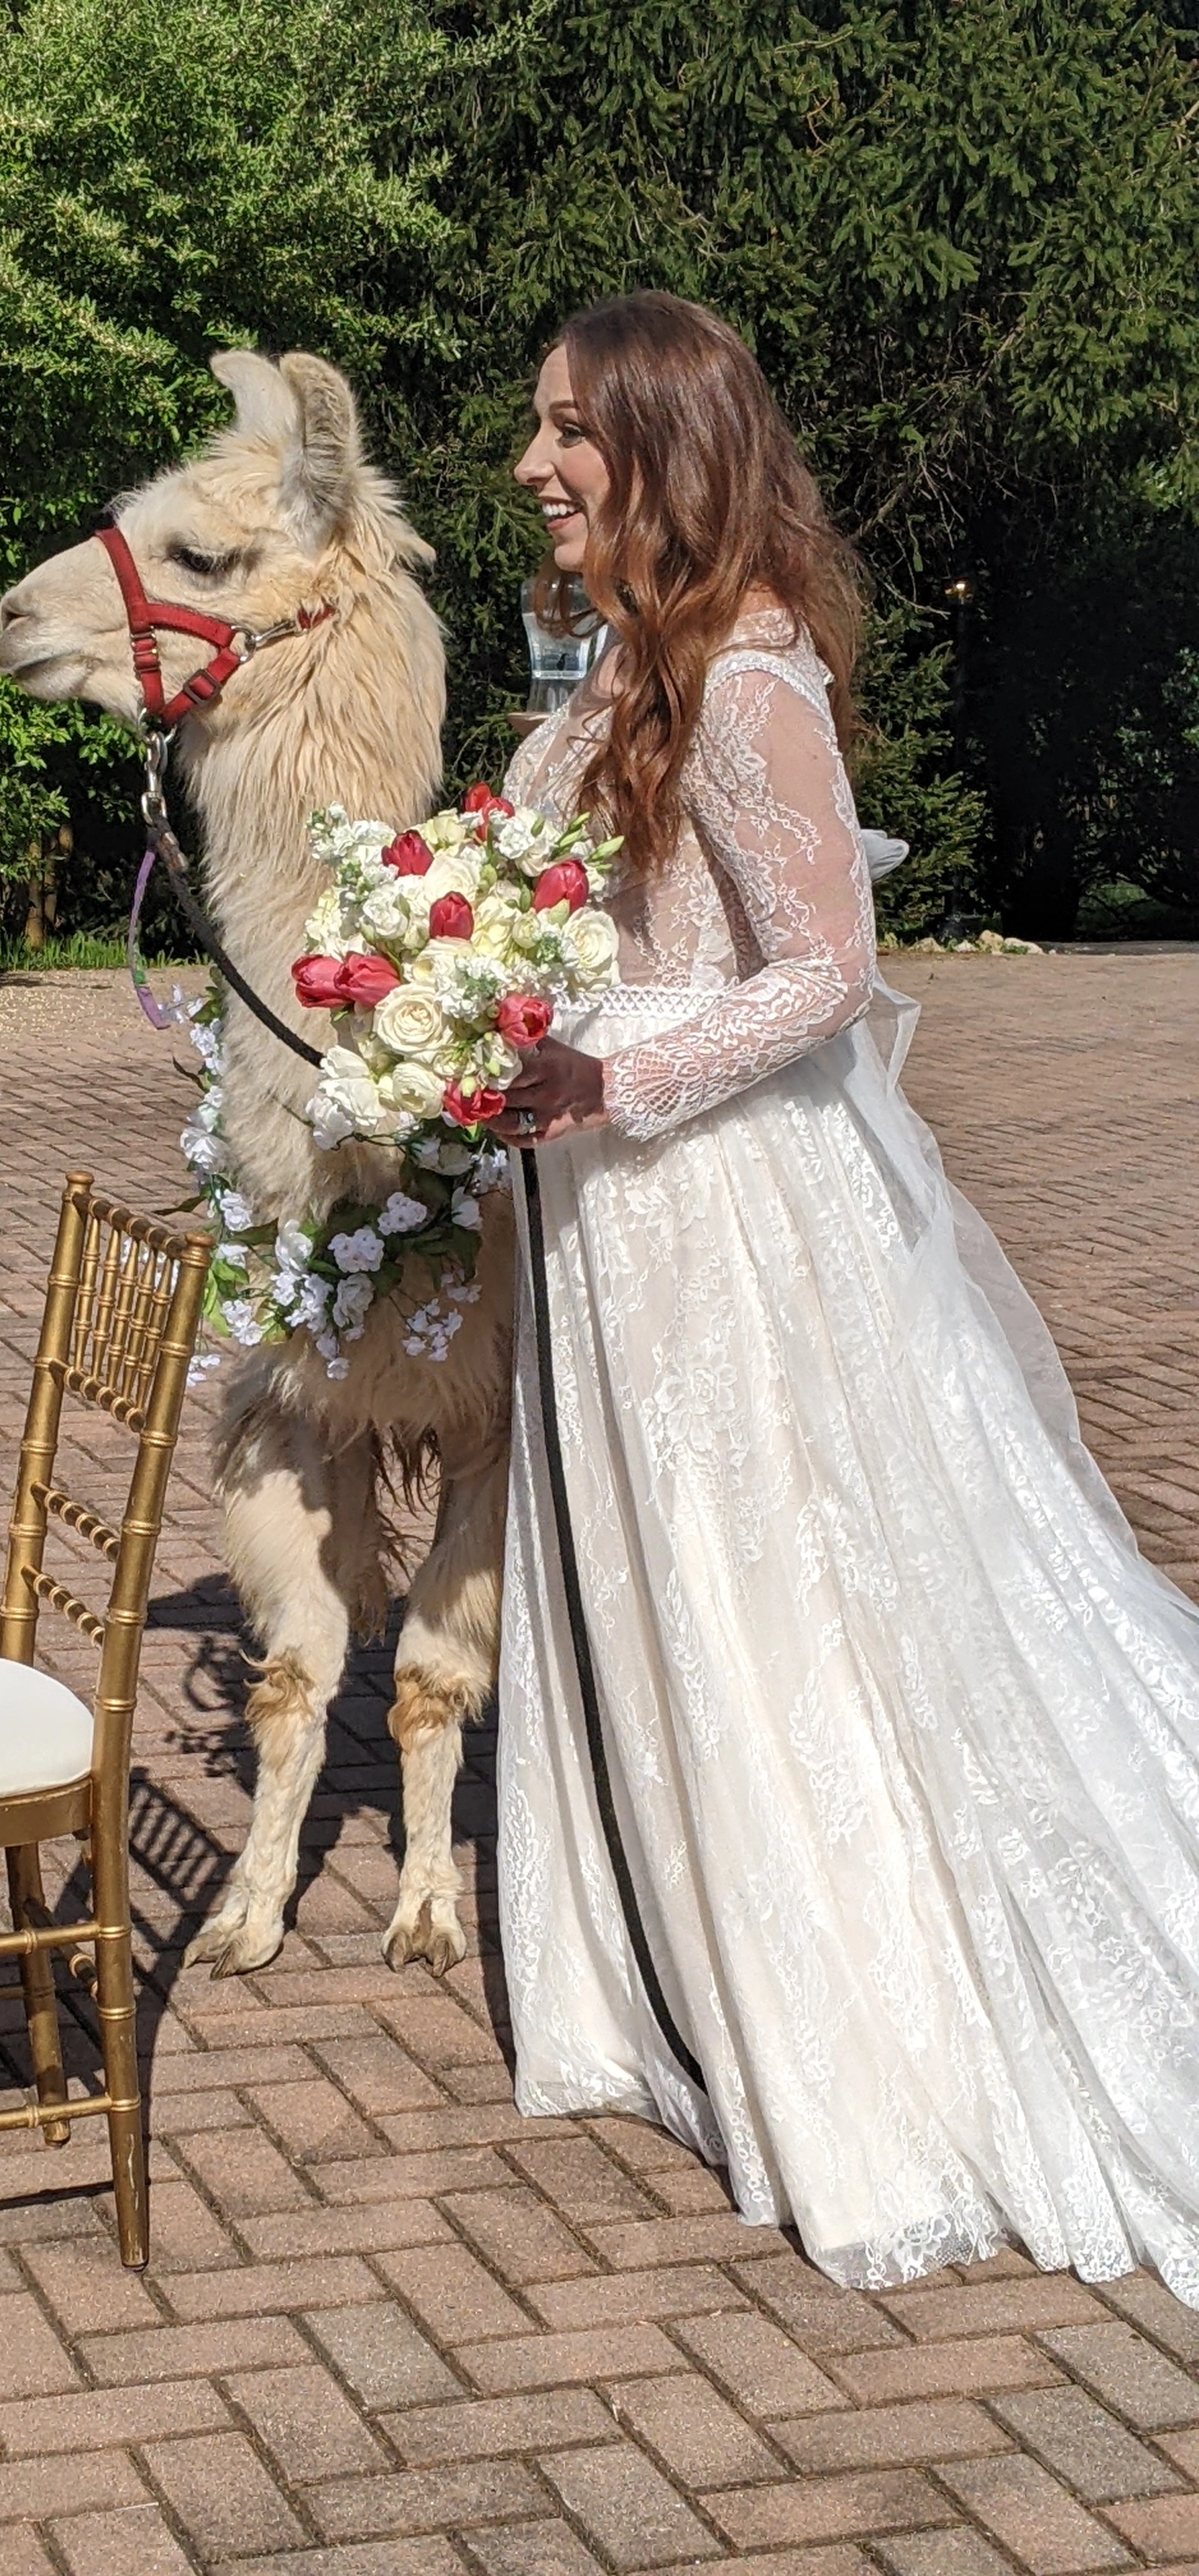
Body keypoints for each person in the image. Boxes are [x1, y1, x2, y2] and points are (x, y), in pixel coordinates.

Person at [492, 289, 1199, 2302]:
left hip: (723, 1215)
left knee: (775, 1592)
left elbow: (819, 974)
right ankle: (688, 1959)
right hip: (613, 1211)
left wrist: (606, 1074)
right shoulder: (625, 666)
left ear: (664, 444)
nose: (535, 464)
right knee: (675, 1590)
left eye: (569, 430)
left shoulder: (743, 681)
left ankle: (863, 2017)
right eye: (535, 430)